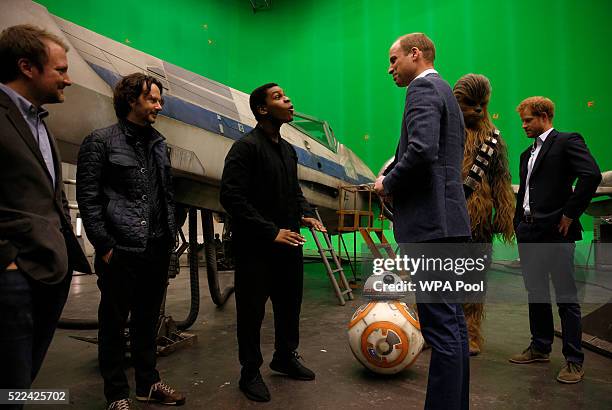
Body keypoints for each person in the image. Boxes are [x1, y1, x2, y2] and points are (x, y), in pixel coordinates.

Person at [374, 33, 471, 410]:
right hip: (450, 222)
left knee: (440, 328)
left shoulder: (421, 89)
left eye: (394, 58)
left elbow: (420, 150)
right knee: (454, 326)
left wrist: (387, 183)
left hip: (430, 226)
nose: (390, 68)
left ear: (416, 54)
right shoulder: (446, 90)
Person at [76, 73, 185, 409]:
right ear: (131, 100)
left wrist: (169, 232)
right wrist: (105, 246)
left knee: (146, 321)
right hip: (121, 250)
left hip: (155, 247)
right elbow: (89, 199)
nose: (159, 105)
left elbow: (166, 193)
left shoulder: (158, 143)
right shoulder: (100, 141)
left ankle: (148, 385)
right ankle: (116, 394)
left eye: (159, 99)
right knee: (113, 324)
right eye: (152, 99)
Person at [0, 24, 90, 407]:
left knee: (21, 382)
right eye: (61, 70)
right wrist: (6, 261)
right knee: (9, 381)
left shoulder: (37, 120)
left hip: (49, 271)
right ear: (27, 67)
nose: (68, 80)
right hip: (12, 277)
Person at [220, 82, 326, 402]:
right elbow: (231, 197)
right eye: (279, 97)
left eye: (286, 95)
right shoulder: (245, 148)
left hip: (289, 244)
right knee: (252, 312)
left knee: (289, 305)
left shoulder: (288, 150)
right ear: (263, 110)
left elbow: (294, 192)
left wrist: (306, 214)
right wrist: (270, 231)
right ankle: (249, 371)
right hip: (256, 249)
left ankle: (285, 356)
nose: (289, 99)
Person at [509, 96, 600, 384]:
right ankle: (540, 347)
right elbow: (524, 191)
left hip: (556, 232)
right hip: (529, 232)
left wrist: (570, 215)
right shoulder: (526, 155)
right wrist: (518, 224)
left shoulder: (567, 141)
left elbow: (591, 175)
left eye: (528, 120)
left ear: (545, 116)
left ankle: (574, 360)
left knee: (566, 298)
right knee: (536, 294)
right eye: (522, 120)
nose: (523, 125)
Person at [453, 74, 515, 355]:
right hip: (446, 218)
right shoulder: (446, 130)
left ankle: (470, 334)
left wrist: (505, 216)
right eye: (470, 103)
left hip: (478, 221)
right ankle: (432, 330)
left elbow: (502, 179)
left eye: (482, 104)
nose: (477, 109)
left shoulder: (492, 138)